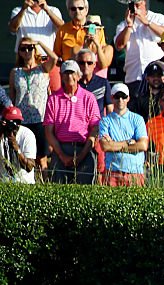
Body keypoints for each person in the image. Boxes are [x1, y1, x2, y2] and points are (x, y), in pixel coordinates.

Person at [44, 60, 99, 184]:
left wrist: (81, 156)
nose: (69, 76)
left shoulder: (89, 98)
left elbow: (95, 129)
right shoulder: (53, 99)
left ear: (79, 75)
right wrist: (62, 155)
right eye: (66, 73)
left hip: (84, 148)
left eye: (72, 73)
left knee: (85, 193)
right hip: (60, 148)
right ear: (61, 76)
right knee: (58, 193)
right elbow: (48, 132)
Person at [10, 37, 56, 173]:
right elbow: (12, 96)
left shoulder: (43, 69)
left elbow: (54, 58)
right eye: (23, 49)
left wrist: (39, 43)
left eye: (30, 48)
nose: (27, 51)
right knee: (24, 154)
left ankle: (44, 185)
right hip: (22, 120)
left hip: (40, 119)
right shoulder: (15, 72)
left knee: (42, 158)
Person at [97, 82, 147, 186]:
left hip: (135, 172)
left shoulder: (138, 119)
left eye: (123, 97)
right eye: (117, 96)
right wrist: (129, 142)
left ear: (128, 98)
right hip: (113, 172)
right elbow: (105, 146)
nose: (120, 100)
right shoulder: (105, 121)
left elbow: (143, 145)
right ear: (112, 98)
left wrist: (113, 144)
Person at [114, 0, 164, 86]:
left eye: (137, 5)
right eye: (132, 6)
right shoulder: (123, 25)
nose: (135, 8)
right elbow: (119, 45)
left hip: (156, 76)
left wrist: (147, 22)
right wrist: (129, 26)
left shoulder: (158, 18)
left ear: (144, 2)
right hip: (134, 77)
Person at [56, 0, 112, 73]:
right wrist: (85, 45)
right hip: (71, 73)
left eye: (80, 8)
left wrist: (97, 44)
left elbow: (103, 64)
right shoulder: (63, 30)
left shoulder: (106, 47)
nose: (77, 11)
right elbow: (58, 55)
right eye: (73, 9)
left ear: (86, 10)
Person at [0, 106, 37, 184]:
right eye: (11, 121)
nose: (15, 125)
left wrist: (17, 149)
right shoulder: (1, 133)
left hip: (25, 183)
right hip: (4, 183)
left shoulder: (27, 135)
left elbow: (29, 167)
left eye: (18, 122)